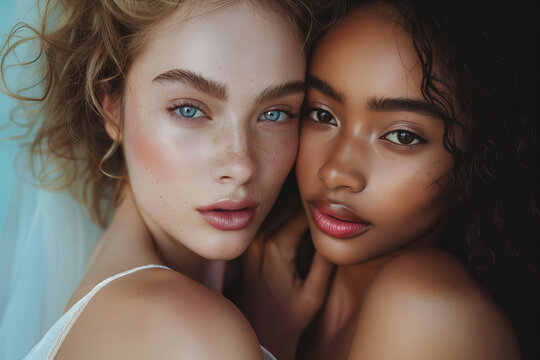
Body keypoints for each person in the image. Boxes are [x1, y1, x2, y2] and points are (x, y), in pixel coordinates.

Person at [0, 0, 344, 358]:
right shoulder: (197, 333)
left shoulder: (106, 303)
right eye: (189, 110)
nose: (241, 165)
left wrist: (273, 338)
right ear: (112, 106)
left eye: (275, 113)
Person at [241, 0, 539, 359]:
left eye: (402, 136)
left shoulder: (427, 306)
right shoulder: (285, 278)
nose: (336, 171)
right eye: (322, 114)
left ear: (479, 157)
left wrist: (265, 339)